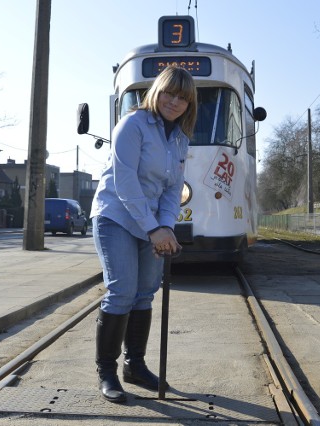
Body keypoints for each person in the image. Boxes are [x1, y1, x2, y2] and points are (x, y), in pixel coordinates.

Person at [90, 65, 197, 403]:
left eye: (182, 97)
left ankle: (134, 366)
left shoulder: (180, 138)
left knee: (144, 293)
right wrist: (154, 229)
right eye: (169, 93)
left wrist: (166, 226)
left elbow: (172, 190)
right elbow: (125, 183)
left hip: (150, 223)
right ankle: (107, 372)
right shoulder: (133, 124)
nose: (174, 102)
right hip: (117, 217)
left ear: (189, 103)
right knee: (122, 290)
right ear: (157, 92)